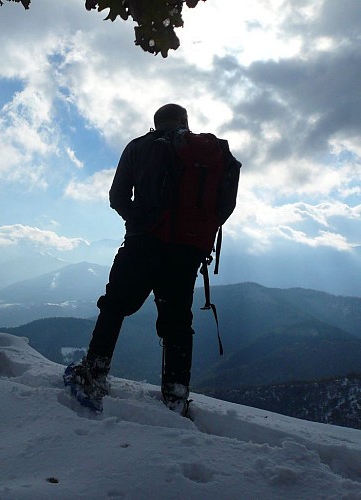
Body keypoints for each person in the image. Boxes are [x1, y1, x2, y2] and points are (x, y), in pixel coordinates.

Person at [64, 104, 241, 415]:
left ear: (155, 123)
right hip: (187, 252)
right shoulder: (208, 154)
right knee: (177, 322)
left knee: (115, 305)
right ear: (185, 122)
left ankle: (94, 373)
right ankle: (175, 395)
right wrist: (195, 235)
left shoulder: (139, 147)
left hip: (143, 244)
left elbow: (117, 196)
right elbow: (225, 207)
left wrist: (140, 224)